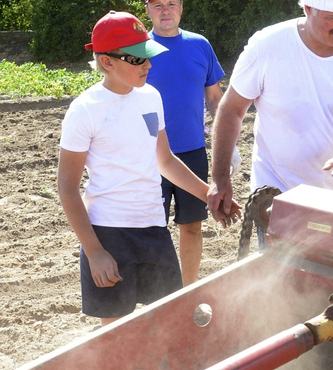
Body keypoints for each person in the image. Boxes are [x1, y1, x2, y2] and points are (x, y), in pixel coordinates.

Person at [57, 11, 241, 326]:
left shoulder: (150, 97)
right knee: (115, 334)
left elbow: (164, 160)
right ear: (107, 62)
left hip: (153, 228)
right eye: (139, 59)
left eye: (148, 57)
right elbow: (67, 187)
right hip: (108, 233)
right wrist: (94, 251)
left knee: (171, 322)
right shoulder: (84, 110)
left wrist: (208, 193)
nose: (148, 65)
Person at [207, 0, 333, 222]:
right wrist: (220, 176)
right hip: (275, 194)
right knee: (277, 257)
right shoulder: (268, 45)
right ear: (308, 9)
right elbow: (232, 109)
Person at [144, 0, 233, 286]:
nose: (165, 10)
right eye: (157, 4)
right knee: (150, 231)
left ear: (181, 6)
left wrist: (229, 146)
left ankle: (187, 290)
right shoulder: (137, 49)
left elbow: (216, 100)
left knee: (192, 226)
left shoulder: (200, 45)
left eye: (171, 3)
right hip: (148, 156)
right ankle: (156, 296)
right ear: (147, 9)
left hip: (193, 153)